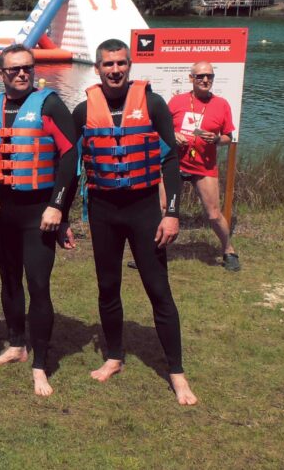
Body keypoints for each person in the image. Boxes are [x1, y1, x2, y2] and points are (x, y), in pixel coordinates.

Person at [71, 38, 197, 406]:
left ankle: (176, 372)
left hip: (144, 211)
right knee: (108, 287)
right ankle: (114, 356)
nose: (115, 70)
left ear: (129, 66)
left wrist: (172, 214)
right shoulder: (82, 111)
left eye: (121, 63)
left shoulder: (153, 104)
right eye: (108, 64)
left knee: (158, 289)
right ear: (97, 68)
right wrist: (59, 212)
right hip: (104, 211)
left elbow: (170, 160)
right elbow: (70, 164)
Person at [0, 44, 78, 396]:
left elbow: (71, 157)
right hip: (0, 212)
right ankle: (17, 345)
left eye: (27, 68)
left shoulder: (50, 105)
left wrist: (58, 208)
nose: (22, 74)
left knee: (37, 284)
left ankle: (40, 365)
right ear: (2, 73)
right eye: (14, 69)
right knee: (8, 280)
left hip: (38, 212)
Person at [168, 61, 239, 271]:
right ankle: (152, 253)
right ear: (191, 78)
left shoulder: (222, 104)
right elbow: (161, 127)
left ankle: (229, 251)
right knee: (164, 209)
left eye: (209, 76)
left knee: (214, 214)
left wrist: (216, 139)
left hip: (203, 166)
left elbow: (228, 137)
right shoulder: (177, 101)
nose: (205, 80)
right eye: (200, 76)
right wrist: (172, 134)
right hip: (174, 163)